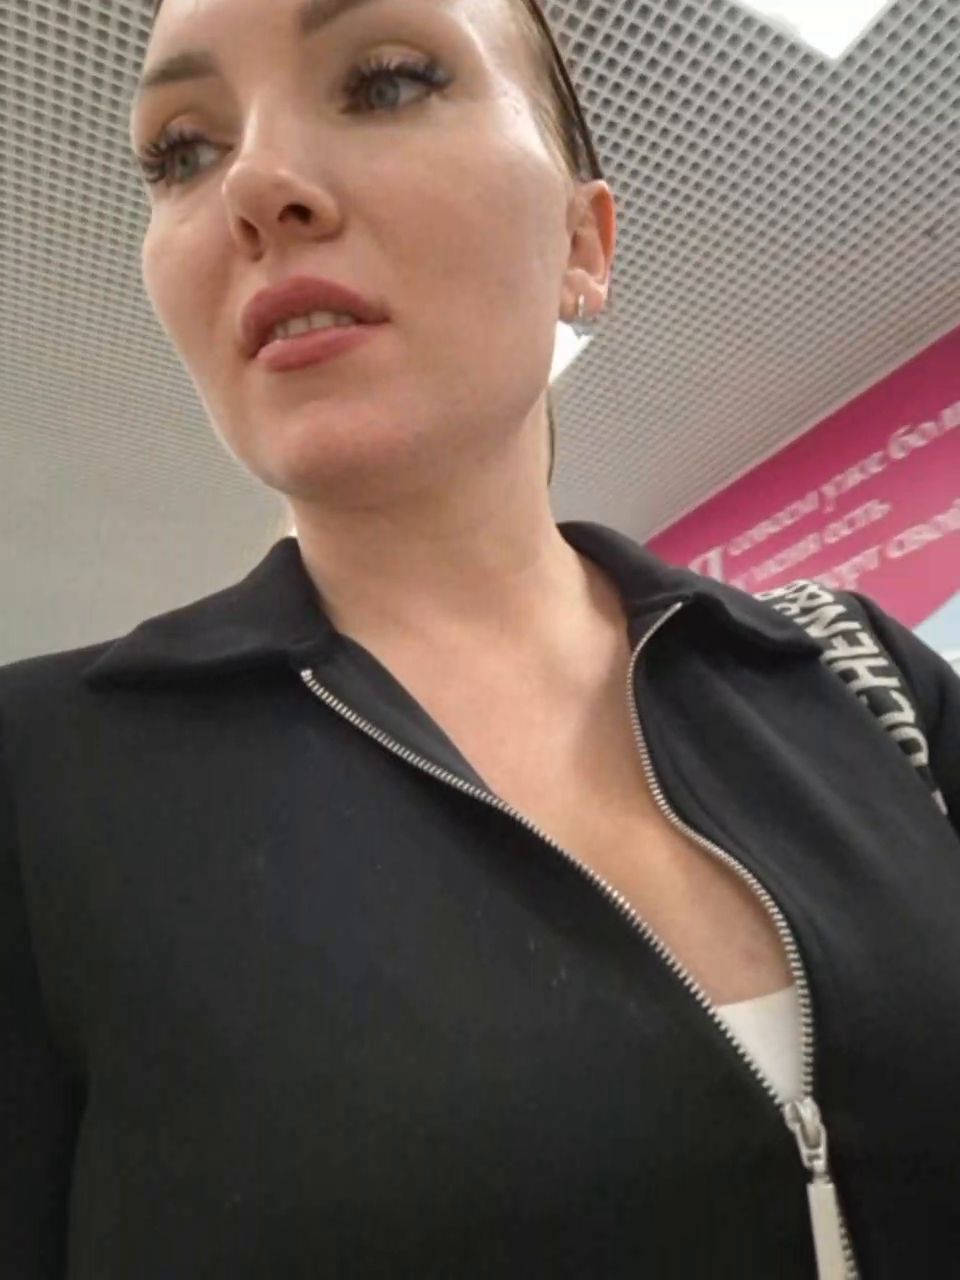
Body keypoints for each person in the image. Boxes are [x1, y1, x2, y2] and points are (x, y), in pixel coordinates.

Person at [2, 0, 959, 1275]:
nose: (255, 185)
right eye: (182, 151)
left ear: (583, 243)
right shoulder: (42, 778)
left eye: (387, 81)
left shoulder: (859, 677)